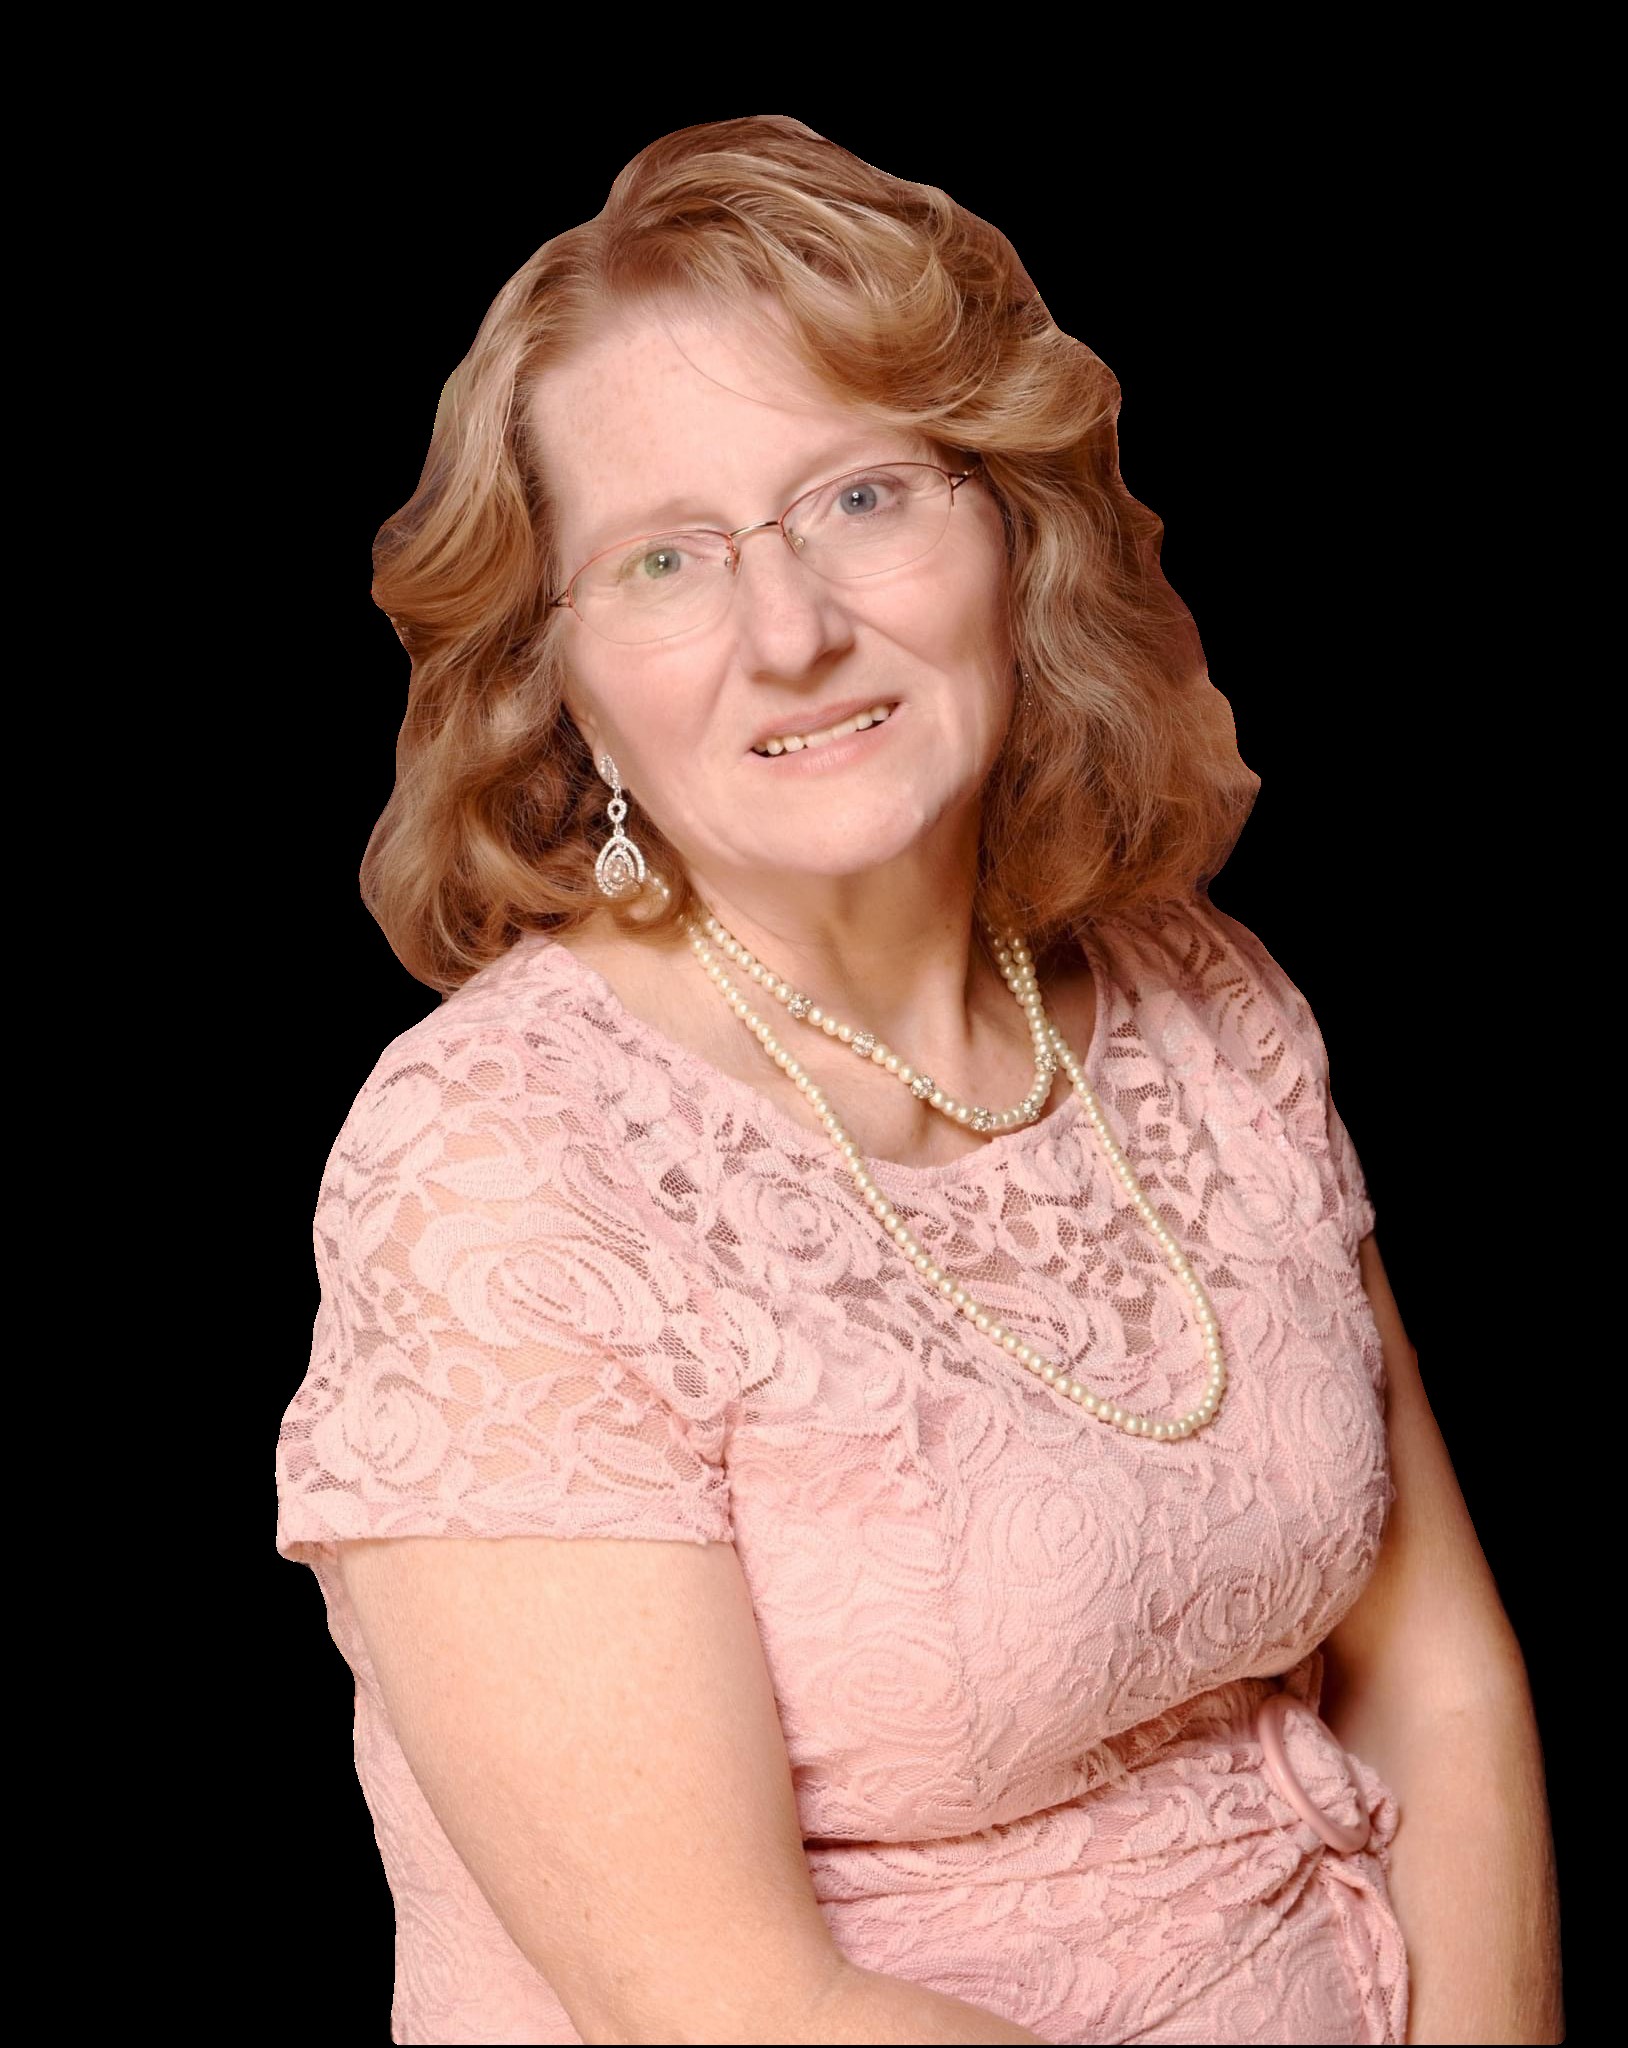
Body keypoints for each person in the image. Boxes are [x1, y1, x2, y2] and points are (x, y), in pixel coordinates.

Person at [274, 117, 1561, 2045]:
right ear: (565, 684)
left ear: (1013, 536)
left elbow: (1439, 1685)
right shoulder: (499, 1174)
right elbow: (729, 2006)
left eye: (863, 497)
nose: (792, 633)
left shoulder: (1197, 994)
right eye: (666, 559)